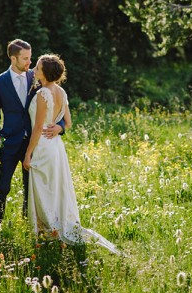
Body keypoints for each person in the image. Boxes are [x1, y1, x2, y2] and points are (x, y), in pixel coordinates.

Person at [23, 54, 121, 255]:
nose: (34, 69)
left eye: (38, 68)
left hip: (42, 146)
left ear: (46, 73)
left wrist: (27, 154)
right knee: (55, 187)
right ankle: (54, 226)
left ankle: (50, 229)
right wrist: (58, 129)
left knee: (44, 188)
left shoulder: (43, 94)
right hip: (56, 146)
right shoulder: (60, 91)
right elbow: (67, 123)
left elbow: (38, 127)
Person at [0, 39, 64, 232]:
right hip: (9, 143)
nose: (30, 62)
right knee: (2, 186)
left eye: (31, 58)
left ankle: (30, 227)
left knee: (32, 189)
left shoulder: (38, 76)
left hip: (35, 143)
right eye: (25, 59)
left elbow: (58, 103)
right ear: (13, 58)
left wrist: (60, 127)